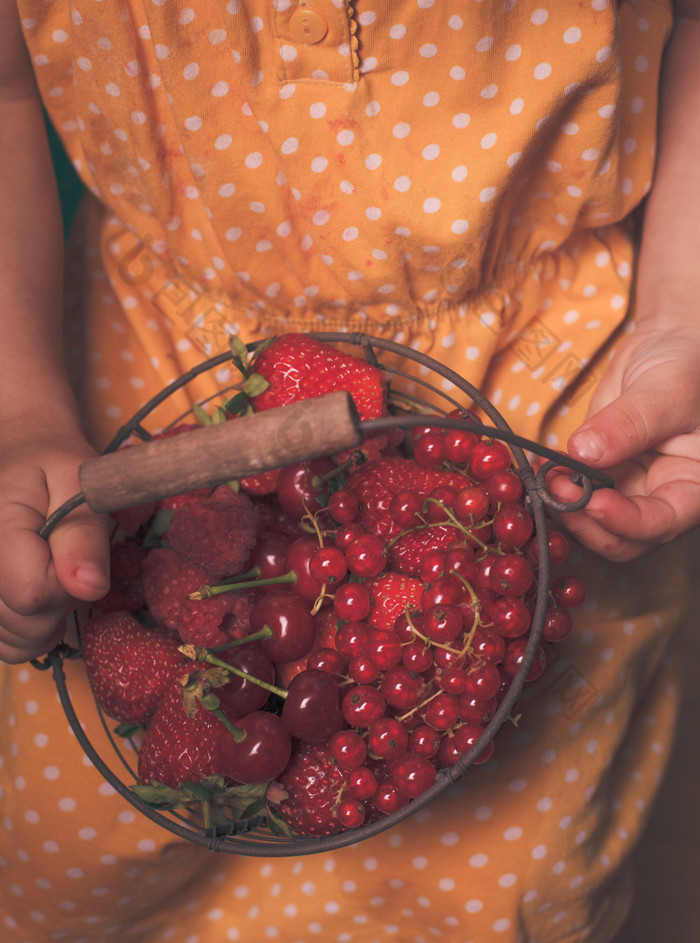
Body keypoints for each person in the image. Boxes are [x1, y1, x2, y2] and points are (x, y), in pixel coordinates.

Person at [1, 1, 698, 941]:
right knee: (82, 841)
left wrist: (682, 315)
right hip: (142, 398)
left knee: (492, 883)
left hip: (541, 397)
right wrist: (20, 408)